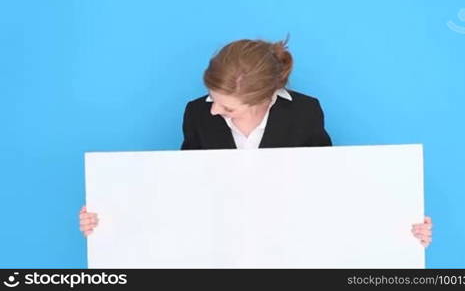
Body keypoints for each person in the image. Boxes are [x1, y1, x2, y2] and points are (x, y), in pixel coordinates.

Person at [79, 38, 432, 248]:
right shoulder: (197, 114)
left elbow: (331, 186)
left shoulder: (305, 113)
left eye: (227, 106)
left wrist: (397, 225)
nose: (214, 110)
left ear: (265, 97)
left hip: (291, 248)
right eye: (211, 98)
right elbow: (180, 188)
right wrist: (112, 218)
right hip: (219, 249)